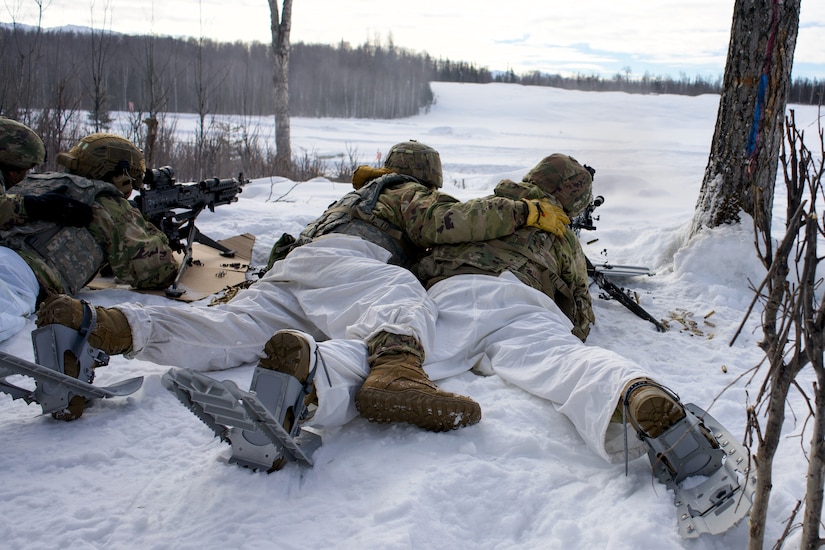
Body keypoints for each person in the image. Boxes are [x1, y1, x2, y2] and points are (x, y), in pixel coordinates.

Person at [219, 154, 719, 480]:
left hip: (453, 292)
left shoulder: (487, 205)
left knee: (402, 354)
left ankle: (312, 375)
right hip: (525, 304)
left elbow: (432, 243)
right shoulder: (563, 236)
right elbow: (581, 316)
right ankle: (633, 391)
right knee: (564, 360)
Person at [37, 140, 570, 425]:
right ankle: (398, 374)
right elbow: (444, 224)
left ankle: (101, 326)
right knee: (402, 294)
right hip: (351, 262)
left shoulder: (345, 199)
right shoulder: (403, 191)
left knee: (224, 331)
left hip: (292, 273)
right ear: (424, 177)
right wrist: (524, 212)